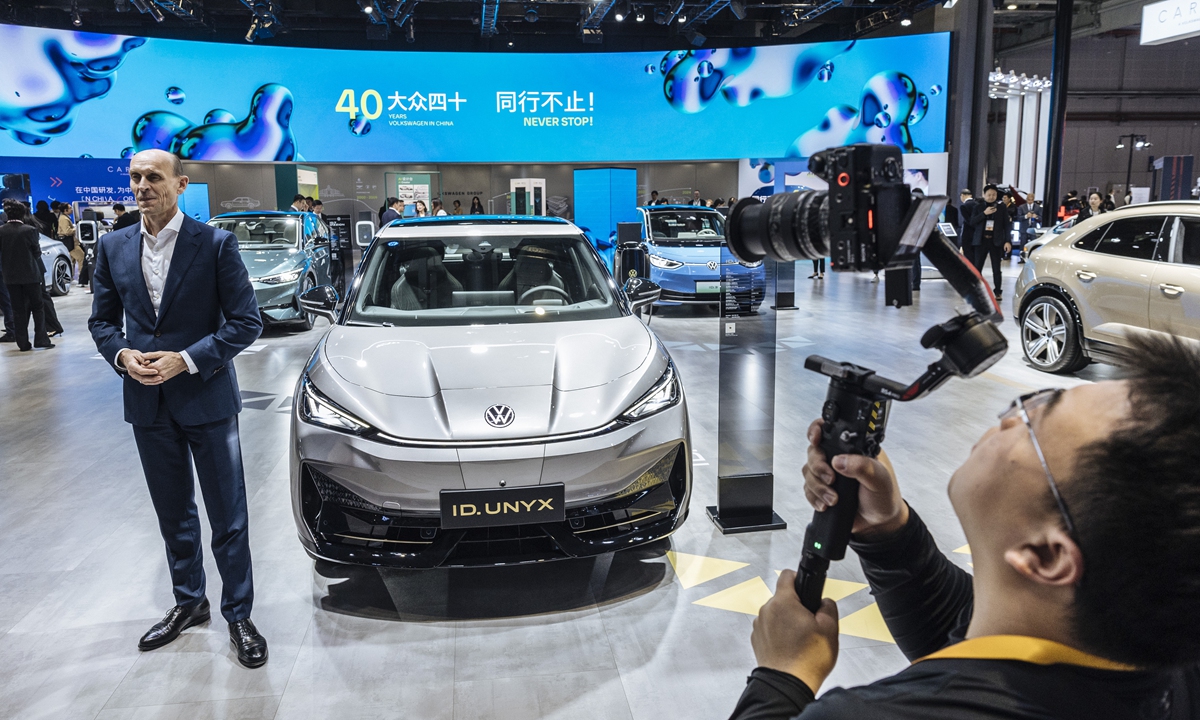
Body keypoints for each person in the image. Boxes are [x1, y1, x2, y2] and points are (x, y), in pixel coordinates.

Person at [729, 332, 1200, 720]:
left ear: (1048, 556)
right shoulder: (1158, 669)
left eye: (1034, 420)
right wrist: (888, 534)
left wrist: (781, 679)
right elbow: (982, 645)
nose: (1010, 416)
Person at [88, 149, 267, 668]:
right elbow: (101, 321)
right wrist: (122, 355)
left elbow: (245, 322)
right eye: (136, 177)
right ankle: (190, 602)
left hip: (207, 399)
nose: (143, 185)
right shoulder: (113, 245)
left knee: (227, 515)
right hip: (147, 403)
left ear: (180, 183)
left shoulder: (213, 244)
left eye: (154, 177)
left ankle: (239, 614)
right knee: (174, 515)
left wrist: (186, 360)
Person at [0, 202, 53, 351]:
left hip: (10, 277)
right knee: (37, 307)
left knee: (17, 309)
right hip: (31, 275)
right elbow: (36, 253)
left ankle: (22, 343)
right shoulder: (30, 230)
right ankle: (41, 339)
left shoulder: (1, 231)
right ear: (22, 214)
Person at [968, 184, 1010, 299]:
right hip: (981, 241)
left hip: (995, 241)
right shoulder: (978, 207)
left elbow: (1006, 225)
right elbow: (972, 222)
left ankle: (998, 291)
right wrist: (984, 214)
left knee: (997, 268)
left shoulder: (1001, 208)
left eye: (994, 195)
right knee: (977, 268)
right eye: (989, 195)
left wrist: (1007, 241)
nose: (991, 197)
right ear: (984, 195)